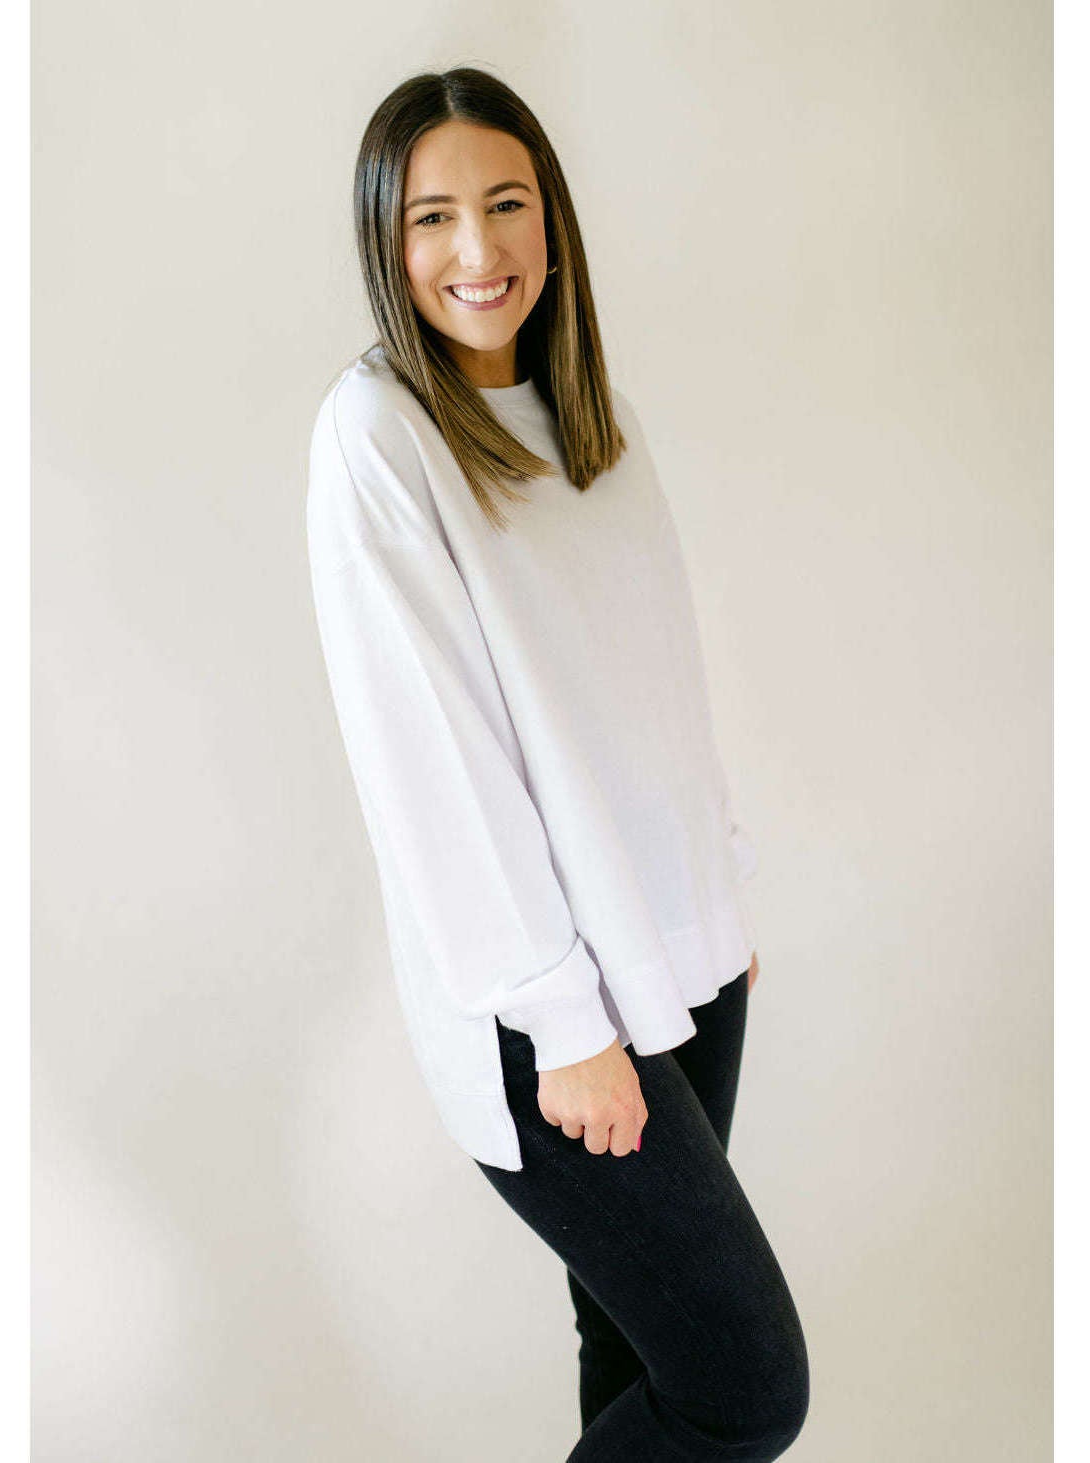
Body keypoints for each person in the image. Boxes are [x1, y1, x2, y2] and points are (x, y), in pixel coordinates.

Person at [307, 66, 809, 1460]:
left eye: (508, 203)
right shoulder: (379, 438)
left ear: (553, 219)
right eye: (433, 217)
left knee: (635, 1348)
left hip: (681, 960)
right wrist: (561, 1020)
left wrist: (716, 904)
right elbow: (433, 764)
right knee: (745, 1387)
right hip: (549, 1011)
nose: (478, 249)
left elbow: (654, 691)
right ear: (387, 239)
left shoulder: (598, 419)